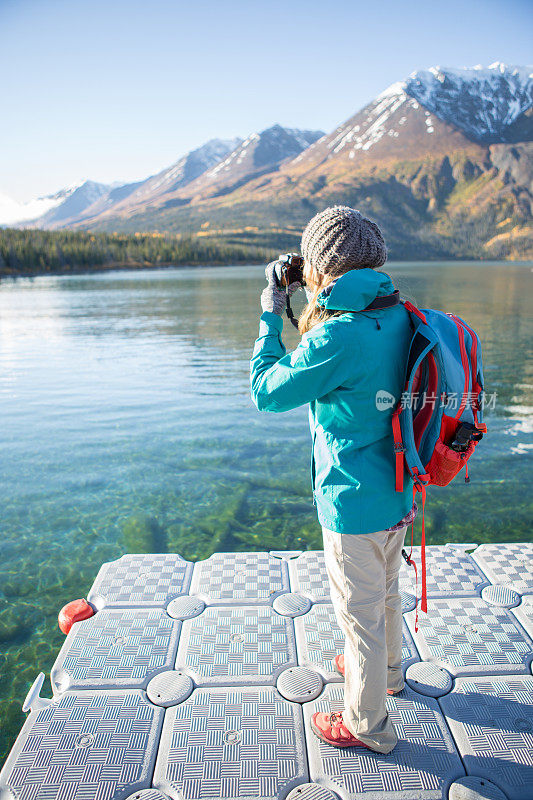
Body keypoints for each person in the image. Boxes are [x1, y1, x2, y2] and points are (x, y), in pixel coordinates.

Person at [250, 205, 417, 754]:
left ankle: (368, 725)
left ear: (324, 268)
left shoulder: (337, 338)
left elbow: (267, 391)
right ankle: (390, 673)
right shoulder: (402, 316)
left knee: (359, 618)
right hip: (400, 491)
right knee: (386, 596)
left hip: (353, 502)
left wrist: (272, 310)